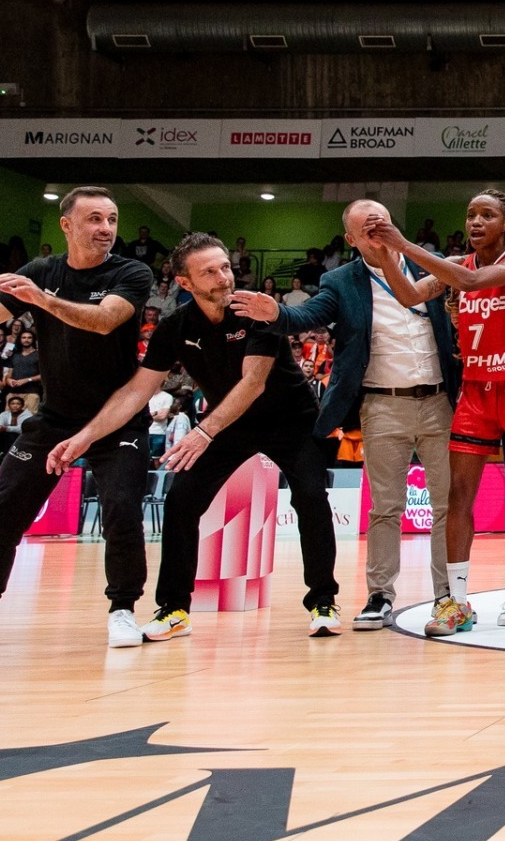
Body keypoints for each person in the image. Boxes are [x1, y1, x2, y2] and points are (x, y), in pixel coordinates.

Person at [46, 233, 340, 641]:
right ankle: (174, 609)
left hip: (289, 420)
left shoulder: (257, 310)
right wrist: (84, 437)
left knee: (310, 495)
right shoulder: (174, 326)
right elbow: (136, 391)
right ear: (185, 283)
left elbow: (253, 383)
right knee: (182, 501)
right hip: (228, 426)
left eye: (225, 267)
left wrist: (203, 431)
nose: (224, 277)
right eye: (210, 272)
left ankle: (323, 600)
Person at [0, 188, 155, 652]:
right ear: (67, 225)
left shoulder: (131, 271)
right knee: (2, 510)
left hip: (116, 420)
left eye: (111, 219)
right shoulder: (41, 272)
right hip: (54, 418)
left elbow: (105, 320)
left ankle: (123, 611)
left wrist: (43, 301)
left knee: (121, 511)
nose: (105, 228)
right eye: (93, 219)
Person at [234, 199, 459, 633]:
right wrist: (276, 313)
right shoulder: (341, 280)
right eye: (367, 229)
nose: (378, 232)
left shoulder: (428, 267)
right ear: (352, 240)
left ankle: (447, 595)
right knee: (386, 508)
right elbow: (307, 315)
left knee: (448, 504)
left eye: (384, 223)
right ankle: (380, 595)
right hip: (381, 403)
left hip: (440, 401)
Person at [368, 193, 505, 635]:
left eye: (487, 215)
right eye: (471, 214)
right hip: (476, 392)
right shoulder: (457, 263)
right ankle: (457, 603)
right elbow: (408, 295)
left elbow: (472, 282)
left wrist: (404, 245)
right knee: (458, 497)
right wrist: (387, 257)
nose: (476, 221)